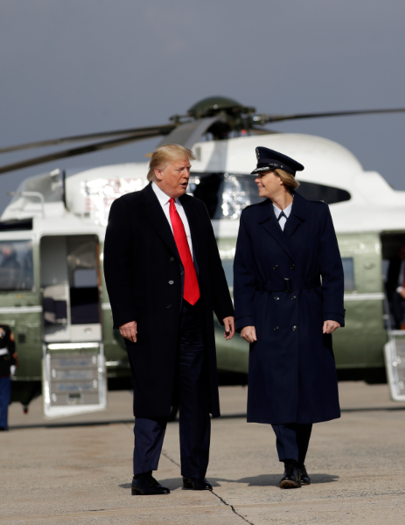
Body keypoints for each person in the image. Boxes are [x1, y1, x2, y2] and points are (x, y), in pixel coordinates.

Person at [104, 144, 235, 496]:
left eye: (188, 169)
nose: (187, 175)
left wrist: (225, 309)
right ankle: (143, 474)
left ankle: (194, 473)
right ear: (158, 171)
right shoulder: (130, 208)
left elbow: (209, 264)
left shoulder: (195, 208)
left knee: (196, 398)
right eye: (180, 169)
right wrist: (125, 317)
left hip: (193, 318)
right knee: (154, 395)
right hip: (148, 323)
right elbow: (115, 268)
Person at [234, 146, 345, 489]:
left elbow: (333, 268)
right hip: (269, 312)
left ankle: (298, 461)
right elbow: (243, 273)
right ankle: (290, 464)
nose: (256, 180)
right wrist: (246, 318)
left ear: (281, 179)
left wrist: (332, 312)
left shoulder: (317, 213)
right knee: (277, 389)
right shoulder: (252, 217)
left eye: (262, 174)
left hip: (309, 310)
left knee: (305, 391)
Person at [0, 324, 16, 431]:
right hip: (3, 366)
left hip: (3, 367)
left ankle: (2, 423)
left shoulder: (5, 329)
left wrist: (13, 363)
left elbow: (11, 347)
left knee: (4, 398)